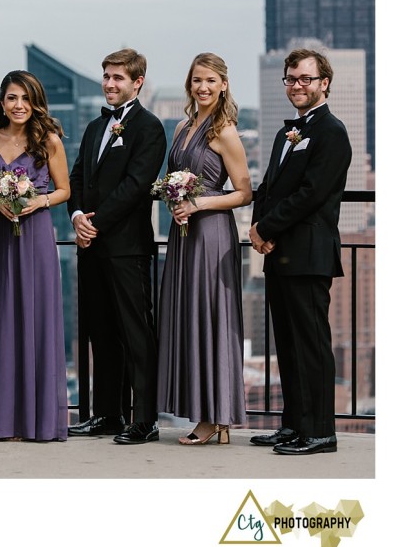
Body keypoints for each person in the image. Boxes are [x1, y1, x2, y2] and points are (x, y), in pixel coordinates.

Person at [249, 48, 351, 455]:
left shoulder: (332, 132)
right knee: (288, 345)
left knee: (311, 345)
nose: (297, 85)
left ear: (324, 83)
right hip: (278, 253)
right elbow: (269, 188)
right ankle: (292, 425)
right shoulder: (284, 134)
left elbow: (311, 195)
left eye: (305, 79)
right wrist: (259, 228)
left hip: (309, 254)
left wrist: (265, 227)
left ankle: (321, 431)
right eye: (291, 79)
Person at [67, 48, 167, 444]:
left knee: (136, 334)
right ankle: (108, 414)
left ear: (137, 81)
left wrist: (95, 222)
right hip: (91, 246)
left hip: (127, 248)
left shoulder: (150, 127)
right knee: (101, 333)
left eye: (118, 78)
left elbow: (136, 186)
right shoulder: (95, 128)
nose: (110, 84)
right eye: (107, 76)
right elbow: (77, 178)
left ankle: (144, 419)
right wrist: (77, 217)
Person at [0, 71, 71, 442]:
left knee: (35, 318)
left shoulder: (50, 141)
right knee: (1, 319)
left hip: (37, 236)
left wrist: (37, 201)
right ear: (1, 102)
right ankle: (3, 418)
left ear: (36, 103)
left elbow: (64, 190)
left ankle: (37, 420)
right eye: (12, 98)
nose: (19, 106)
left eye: (26, 99)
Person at [156, 53, 251, 445]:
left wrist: (199, 204)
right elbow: (174, 179)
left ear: (223, 84)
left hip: (212, 234)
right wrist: (175, 203)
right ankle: (206, 413)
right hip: (184, 234)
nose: (203, 87)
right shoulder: (181, 126)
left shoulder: (224, 131)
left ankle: (216, 416)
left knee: (211, 315)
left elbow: (244, 193)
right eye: (197, 80)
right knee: (190, 317)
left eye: (211, 80)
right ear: (189, 84)